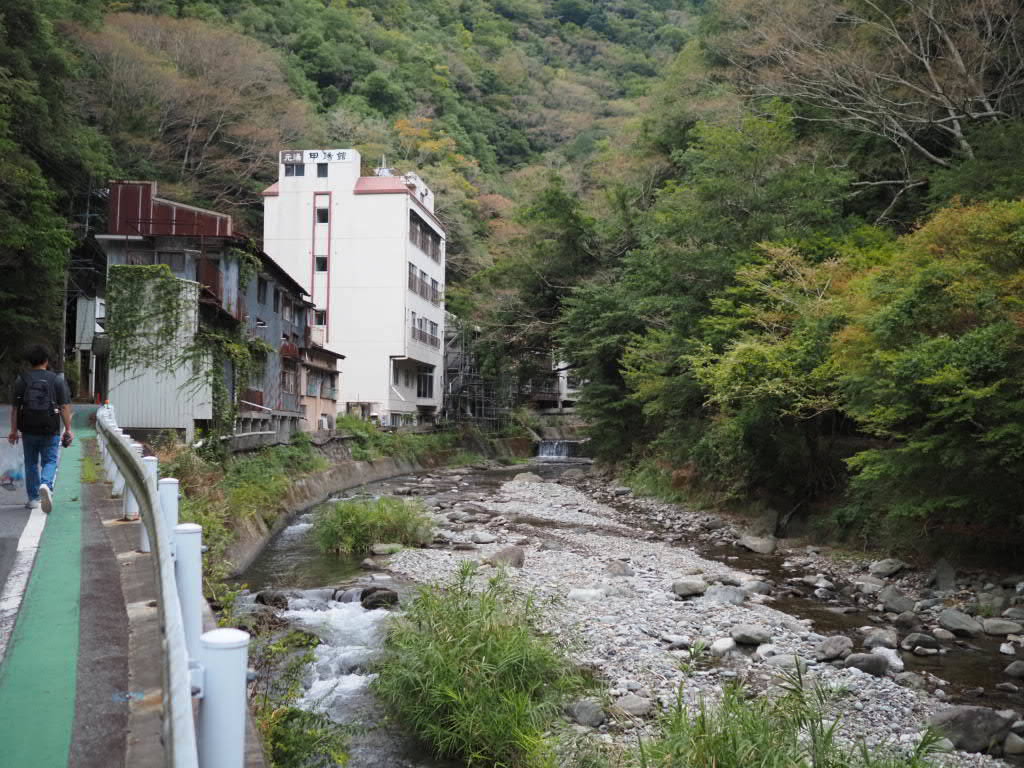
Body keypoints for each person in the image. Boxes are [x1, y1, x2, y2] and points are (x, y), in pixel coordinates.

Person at [7, 344, 72, 514]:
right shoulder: (56, 380)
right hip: (50, 427)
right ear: (46, 361)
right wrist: (68, 429)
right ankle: (46, 484)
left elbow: (15, 409)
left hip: (28, 428)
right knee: (50, 460)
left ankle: (33, 499)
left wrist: (13, 431)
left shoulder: (22, 380)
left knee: (30, 462)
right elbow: (64, 407)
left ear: (30, 361)